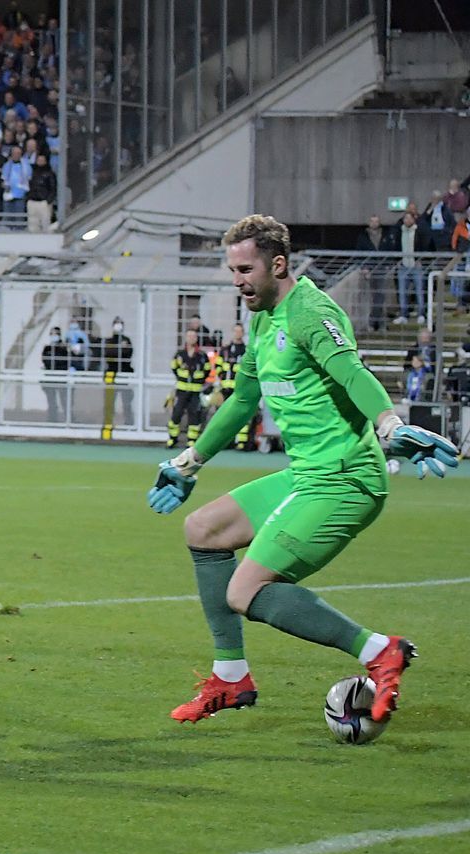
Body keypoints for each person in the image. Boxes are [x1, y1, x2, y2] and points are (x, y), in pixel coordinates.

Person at [148, 214, 457, 727]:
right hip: (308, 474)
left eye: (245, 269)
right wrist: (190, 462)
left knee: (242, 592)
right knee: (203, 529)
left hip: (345, 480)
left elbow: (353, 373)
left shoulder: (310, 313)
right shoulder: (263, 317)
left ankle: (380, 650)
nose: (237, 280)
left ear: (278, 263)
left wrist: (387, 423)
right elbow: (243, 399)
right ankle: (230, 676)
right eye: (232, 270)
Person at [213, 322, 254, 450]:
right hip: (225, 388)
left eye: (239, 331)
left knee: (241, 416)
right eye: (235, 331)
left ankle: (241, 442)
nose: (237, 333)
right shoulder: (225, 350)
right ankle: (226, 442)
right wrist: (220, 382)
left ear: (242, 333)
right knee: (225, 417)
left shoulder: (246, 350)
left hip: (240, 388)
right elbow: (218, 367)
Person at [167, 328, 208, 448]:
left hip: (195, 391)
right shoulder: (180, 354)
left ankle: (191, 441)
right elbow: (174, 367)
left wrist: (198, 380)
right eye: (189, 336)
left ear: (196, 338)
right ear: (186, 338)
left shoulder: (201, 355)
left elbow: (207, 370)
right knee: (176, 414)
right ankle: (172, 438)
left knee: (194, 415)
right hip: (182, 390)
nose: (191, 338)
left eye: (193, 336)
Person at [394, 211, 427, 324]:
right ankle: (403, 314)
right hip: (403, 266)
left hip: (416, 266)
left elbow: (424, 246)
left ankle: (421, 314)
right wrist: (397, 261)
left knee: (419, 291)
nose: (407, 220)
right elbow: (395, 246)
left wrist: (420, 260)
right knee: (402, 292)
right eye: (405, 218)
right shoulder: (399, 232)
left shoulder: (420, 232)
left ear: (414, 219)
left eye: (409, 218)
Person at [100, 317, 133, 427]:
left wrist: (118, 350)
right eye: (116, 324)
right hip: (110, 374)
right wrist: (119, 349)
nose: (118, 326)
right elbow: (108, 354)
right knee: (109, 402)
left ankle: (129, 424)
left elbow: (128, 354)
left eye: (120, 324)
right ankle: (108, 423)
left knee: (127, 402)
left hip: (124, 374)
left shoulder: (126, 340)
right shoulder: (108, 341)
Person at [40, 326, 69, 422]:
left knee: (64, 400)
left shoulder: (63, 348)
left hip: (61, 377)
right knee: (51, 401)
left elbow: (64, 362)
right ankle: (52, 419)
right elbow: (45, 361)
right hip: (49, 378)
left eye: (56, 334)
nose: (54, 336)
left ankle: (68, 419)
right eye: (52, 334)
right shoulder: (47, 348)